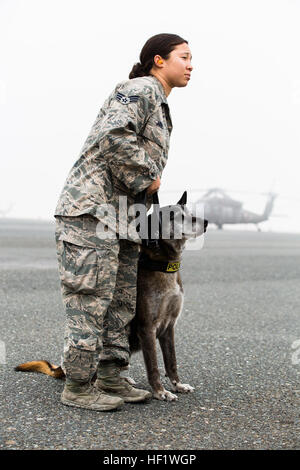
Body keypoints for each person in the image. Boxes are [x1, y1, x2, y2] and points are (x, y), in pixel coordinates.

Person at [54, 33, 193, 411]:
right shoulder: (140, 88)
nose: (191, 65)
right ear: (158, 61)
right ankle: (79, 386)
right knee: (91, 299)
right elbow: (114, 134)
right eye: (184, 57)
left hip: (125, 219)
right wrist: (148, 176)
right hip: (92, 211)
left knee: (121, 302)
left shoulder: (161, 104)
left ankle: (112, 375)